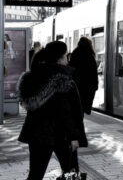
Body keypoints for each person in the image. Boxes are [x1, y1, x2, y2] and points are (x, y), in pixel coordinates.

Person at [17, 41, 87, 179]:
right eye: (66, 56)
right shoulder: (65, 81)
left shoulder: (33, 78)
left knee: (35, 174)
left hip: (37, 135)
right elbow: (68, 113)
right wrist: (74, 137)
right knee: (71, 173)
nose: (68, 60)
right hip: (62, 135)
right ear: (59, 59)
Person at [68, 37, 98, 115]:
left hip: (77, 85)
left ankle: (78, 124)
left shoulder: (75, 53)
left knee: (77, 108)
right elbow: (94, 72)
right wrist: (95, 86)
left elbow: (71, 69)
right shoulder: (90, 54)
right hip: (88, 86)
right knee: (83, 108)